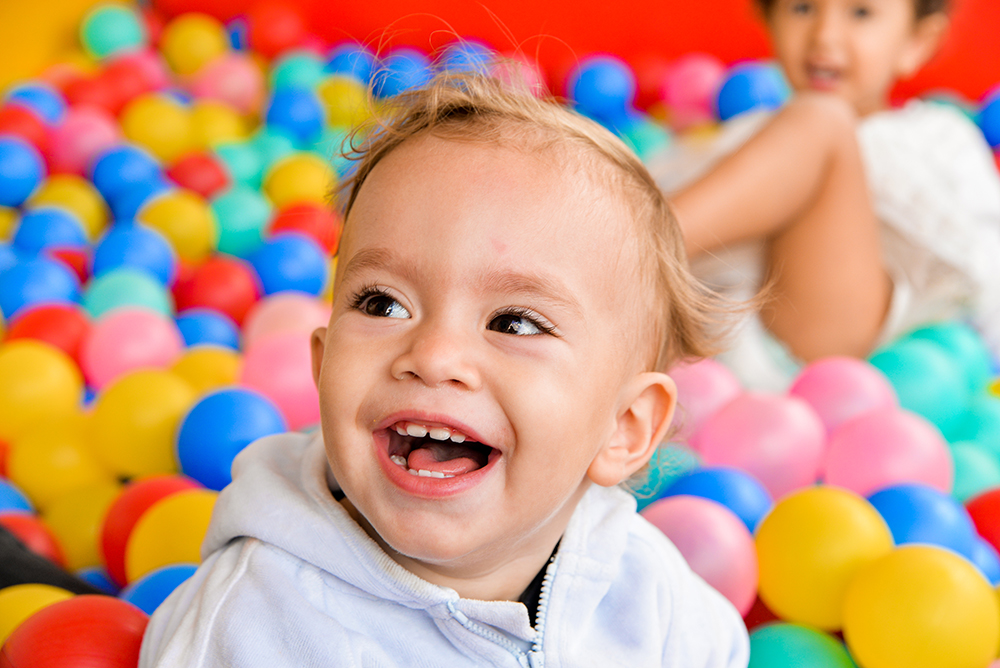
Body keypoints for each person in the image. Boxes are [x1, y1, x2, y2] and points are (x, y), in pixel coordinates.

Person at [138, 70, 750, 667]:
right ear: (322, 369)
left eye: (514, 323)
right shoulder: (253, 626)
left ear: (624, 427)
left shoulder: (653, 603)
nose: (433, 355)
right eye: (383, 304)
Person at [650, 0, 1000, 390]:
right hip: (737, 343)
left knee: (823, 119)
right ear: (769, 19)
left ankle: (632, 244)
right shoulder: (749, 134)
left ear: (916, 41)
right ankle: (631, 248)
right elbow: (670, 185)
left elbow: (990, 260)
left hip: (866, 348)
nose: (825, 35)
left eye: (861, 13)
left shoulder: (940, 135)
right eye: (802, 8)